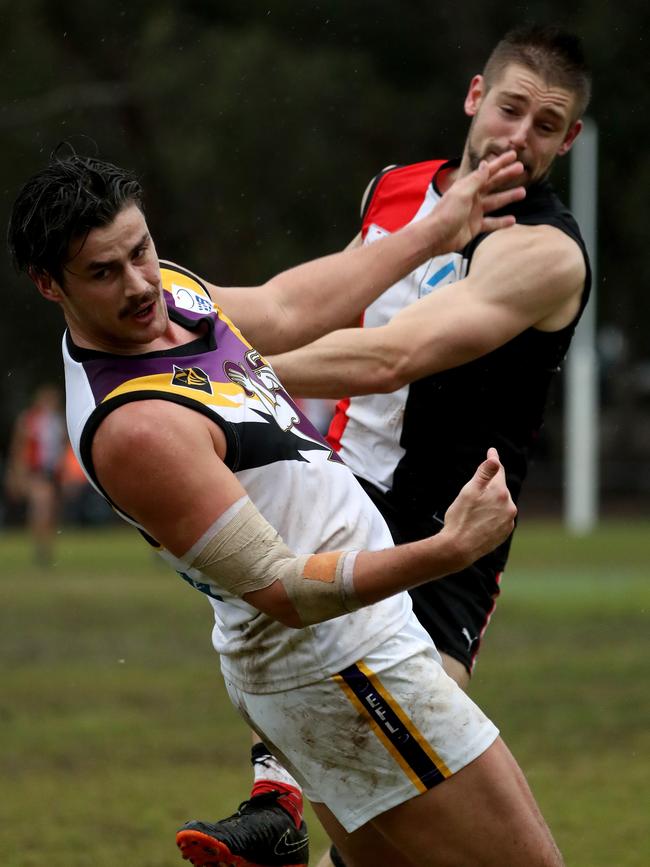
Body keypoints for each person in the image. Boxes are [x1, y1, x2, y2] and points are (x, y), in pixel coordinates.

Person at [7, 148, 566, 867]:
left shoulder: (172, 291)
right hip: (343, 669)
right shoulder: (136, 425)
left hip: (333, 667)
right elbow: (285, 589)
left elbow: (287, 306)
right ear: (49, 284)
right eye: (103, 273)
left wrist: (438, 229)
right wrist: (451, 550)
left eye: (141, 250)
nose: (140, 284)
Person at [210, 23, 593, 867]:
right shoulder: (394, 191)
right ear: (473, 98)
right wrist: (195, 328)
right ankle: (275, 799)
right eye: (509, 109)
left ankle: (278, 803)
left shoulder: (544, 253)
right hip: (339, 499)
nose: (518, 138)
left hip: (441, 540)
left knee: (404, 825)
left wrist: (222, 363)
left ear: (568, 140)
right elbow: (320, 303)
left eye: (545, 125)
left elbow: (394, 356)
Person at [4, 384, 67, 565]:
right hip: (36, 471)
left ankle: (45, 546)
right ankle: (41, 549)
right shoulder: (29, 420)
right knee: (42, 505)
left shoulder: (58, 421)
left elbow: (62, 448)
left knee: (50, 511)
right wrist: (17, 474)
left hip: (53, 473)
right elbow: (18, 448)